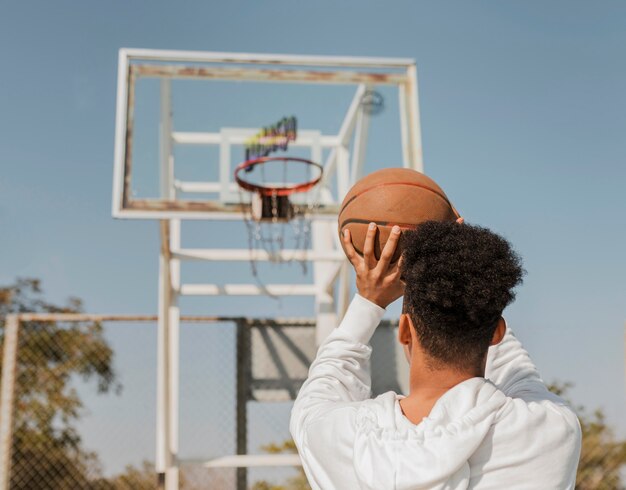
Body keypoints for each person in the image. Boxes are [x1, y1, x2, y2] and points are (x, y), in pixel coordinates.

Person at [290, 220, 581, 489]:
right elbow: (520, 373)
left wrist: (369, 300)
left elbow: (323, 385)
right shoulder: (551, 432)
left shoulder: (339, 438)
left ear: (404, 330)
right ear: (497, 331)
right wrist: (473, 271)